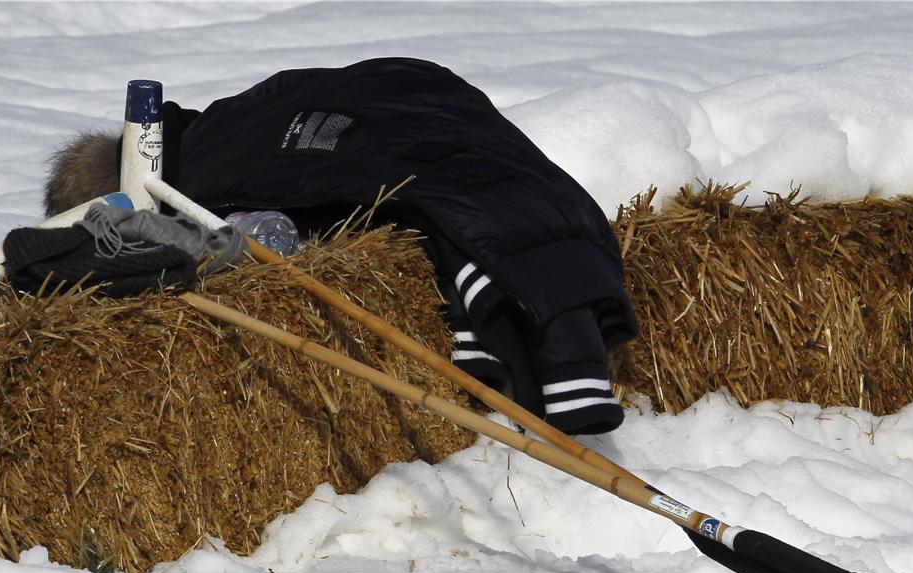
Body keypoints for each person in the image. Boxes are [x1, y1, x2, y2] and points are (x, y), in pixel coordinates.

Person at [42, 57, 638, 435]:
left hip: (395, 95)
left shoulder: (205, 169)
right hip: (401, 87)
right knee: (449, 192)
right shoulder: (217, 145)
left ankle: (505, 294)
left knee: (443, 186)